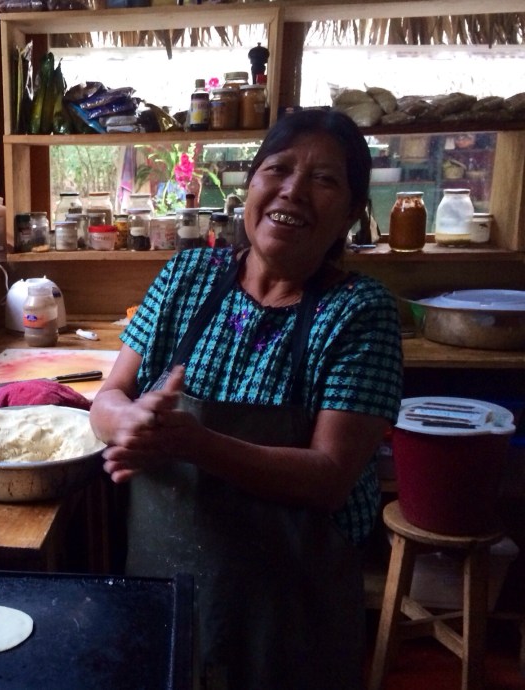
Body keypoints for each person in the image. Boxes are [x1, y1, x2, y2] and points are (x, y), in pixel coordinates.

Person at [89, 108, 403, 690]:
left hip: (286, 615)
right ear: (250, 184)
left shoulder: (361, 313)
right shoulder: (188, 275)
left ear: (352, 215)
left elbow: (329, 476)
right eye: (277, 169)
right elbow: (108, 397)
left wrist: (196, 444)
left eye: (325, 179)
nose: (294, 191)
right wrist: (131, 423)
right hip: (166, 588)